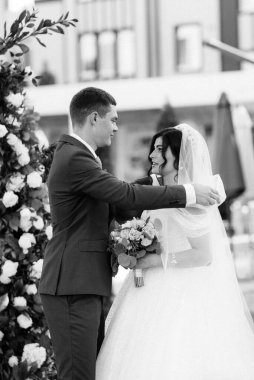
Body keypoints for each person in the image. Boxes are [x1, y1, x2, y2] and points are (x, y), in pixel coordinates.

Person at [38, 88, 219, 380]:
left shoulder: (82, 156)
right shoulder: (75, 157)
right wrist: (188, 192)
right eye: (112, 120)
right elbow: (123, 194)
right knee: (79, 376)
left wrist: (154, 185)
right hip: (72, 284)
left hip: (82, 283)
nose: (116, 127)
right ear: (94, 117)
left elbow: (113, 206)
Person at [96, 124, 254, 380]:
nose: (152, 156)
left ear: (178, 156)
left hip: (180, 291)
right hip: (144, 289)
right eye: (153, 149)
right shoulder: (157, 193)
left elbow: (204, 255)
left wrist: (153, 259)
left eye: (160, 150)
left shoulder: (192, 200)